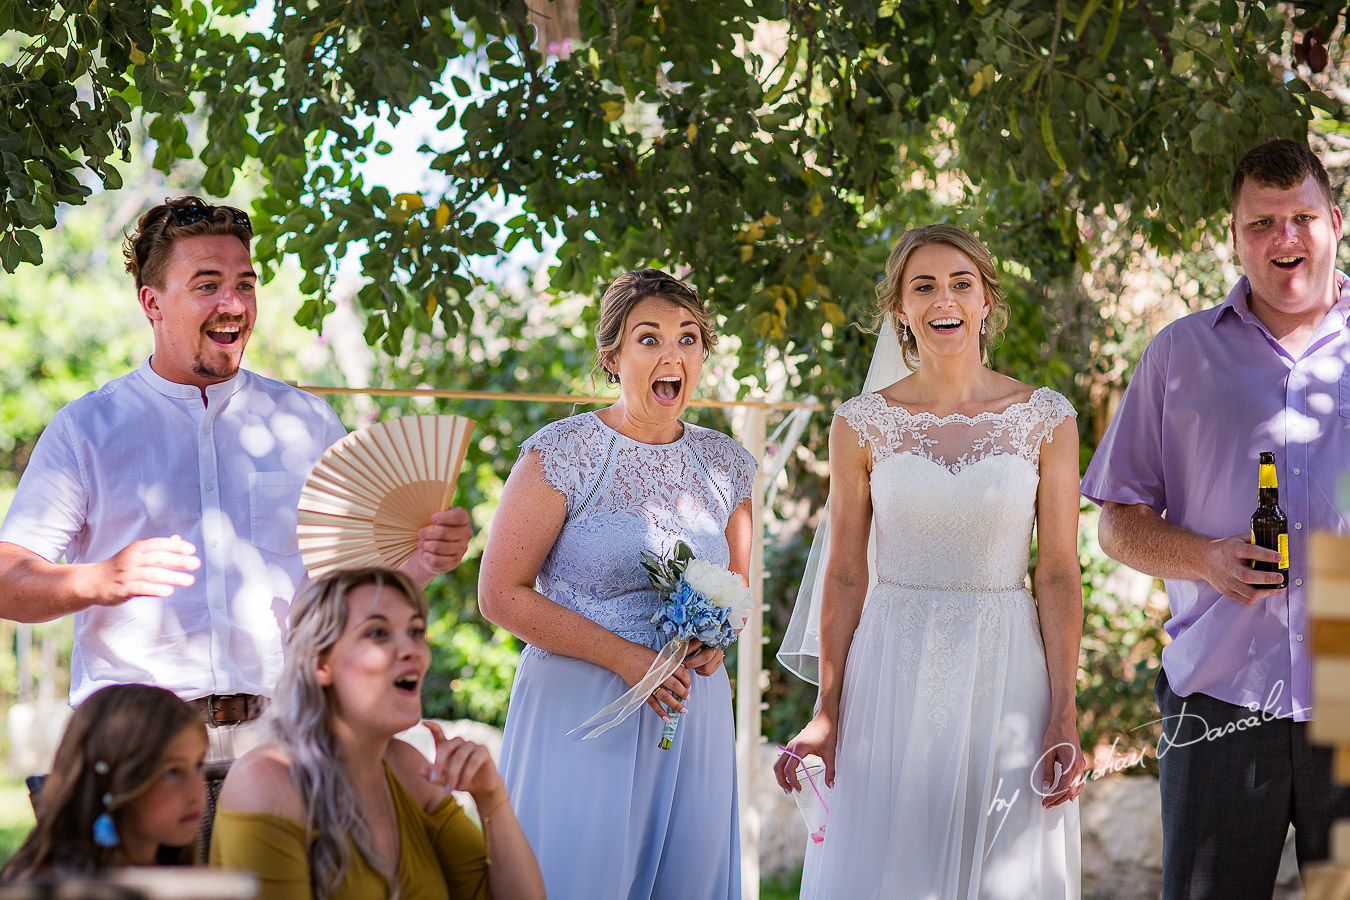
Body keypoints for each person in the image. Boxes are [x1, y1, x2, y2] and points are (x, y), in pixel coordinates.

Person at [0, 196, 471, 757]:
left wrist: (422, 560)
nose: (233, 304)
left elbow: (352, 592)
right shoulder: (86, 429)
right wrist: (102, 579)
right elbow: (8, 581)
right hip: (136, 748)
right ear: (152, 301)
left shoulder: (307, 422)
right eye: (207, 286)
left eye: (245, 285)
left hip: (287, 740)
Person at [773, 224, 1084, 897]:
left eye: (960, 283)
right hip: (891, 664)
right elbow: (848, 572)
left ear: (985, 303)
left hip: (1006, 665)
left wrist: (1064, 710)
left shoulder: (1047, 419)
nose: (944, 299)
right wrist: (827, 708)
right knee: (894, 862)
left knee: (1002, 859)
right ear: (901, 311)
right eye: (924, 286)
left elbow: (1057, 572)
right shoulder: (860, 423)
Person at [1081, 138, 1350, 897]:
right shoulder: (1179, 354)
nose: (1284, 238)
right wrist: (1204, 558)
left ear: (1333, 221)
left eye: (1300, 217)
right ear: (1234, 237)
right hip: (1221, 695)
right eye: (1261, 223)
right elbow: (1116, 521)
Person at [478, 268, 756, 899]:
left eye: (688, 339)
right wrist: (626, 659)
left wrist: (715, 642)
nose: (673, 355)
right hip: (585, 705)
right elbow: (499, 592)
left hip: (692, 708)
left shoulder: (727, 464)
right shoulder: (562, 452)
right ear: (613, 357)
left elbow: (737, 592)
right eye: (650, 339)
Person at [209, 567, 543, 900]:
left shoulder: (409, 769)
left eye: (414, 631)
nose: (411, 649)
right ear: (319, 664)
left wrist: (492, 798)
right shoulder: (266, 782)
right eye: (378, 633)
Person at [2, 683, 207, 879]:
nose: (197, 791)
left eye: (198, 766)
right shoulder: (49, 886)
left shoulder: (194, 879)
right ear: (114, 778)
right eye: (171, 772)